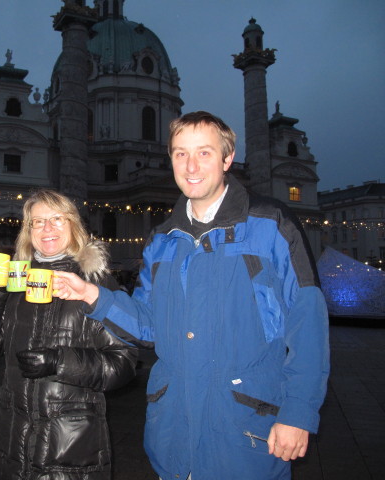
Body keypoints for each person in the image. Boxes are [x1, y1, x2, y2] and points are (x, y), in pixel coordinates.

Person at [53, 111, 330, 480]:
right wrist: (93, 296)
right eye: (181, 153)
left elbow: (307, 323)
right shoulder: (161, 241)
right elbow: (149, 327)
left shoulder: (271, 226)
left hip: (247, 429)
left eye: (204, 152)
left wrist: (298, 412)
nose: (191, 165)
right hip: (174, 435)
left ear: (227, 158)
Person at [0, 189, 138, 479]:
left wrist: (60, 362)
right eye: (37, 221)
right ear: (28, 230)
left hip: (69, 446)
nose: (47, 228)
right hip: (11, 438)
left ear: (73, 225)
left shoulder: (95, 281)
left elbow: (123, 363)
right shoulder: (17, 279)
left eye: (57, 219)